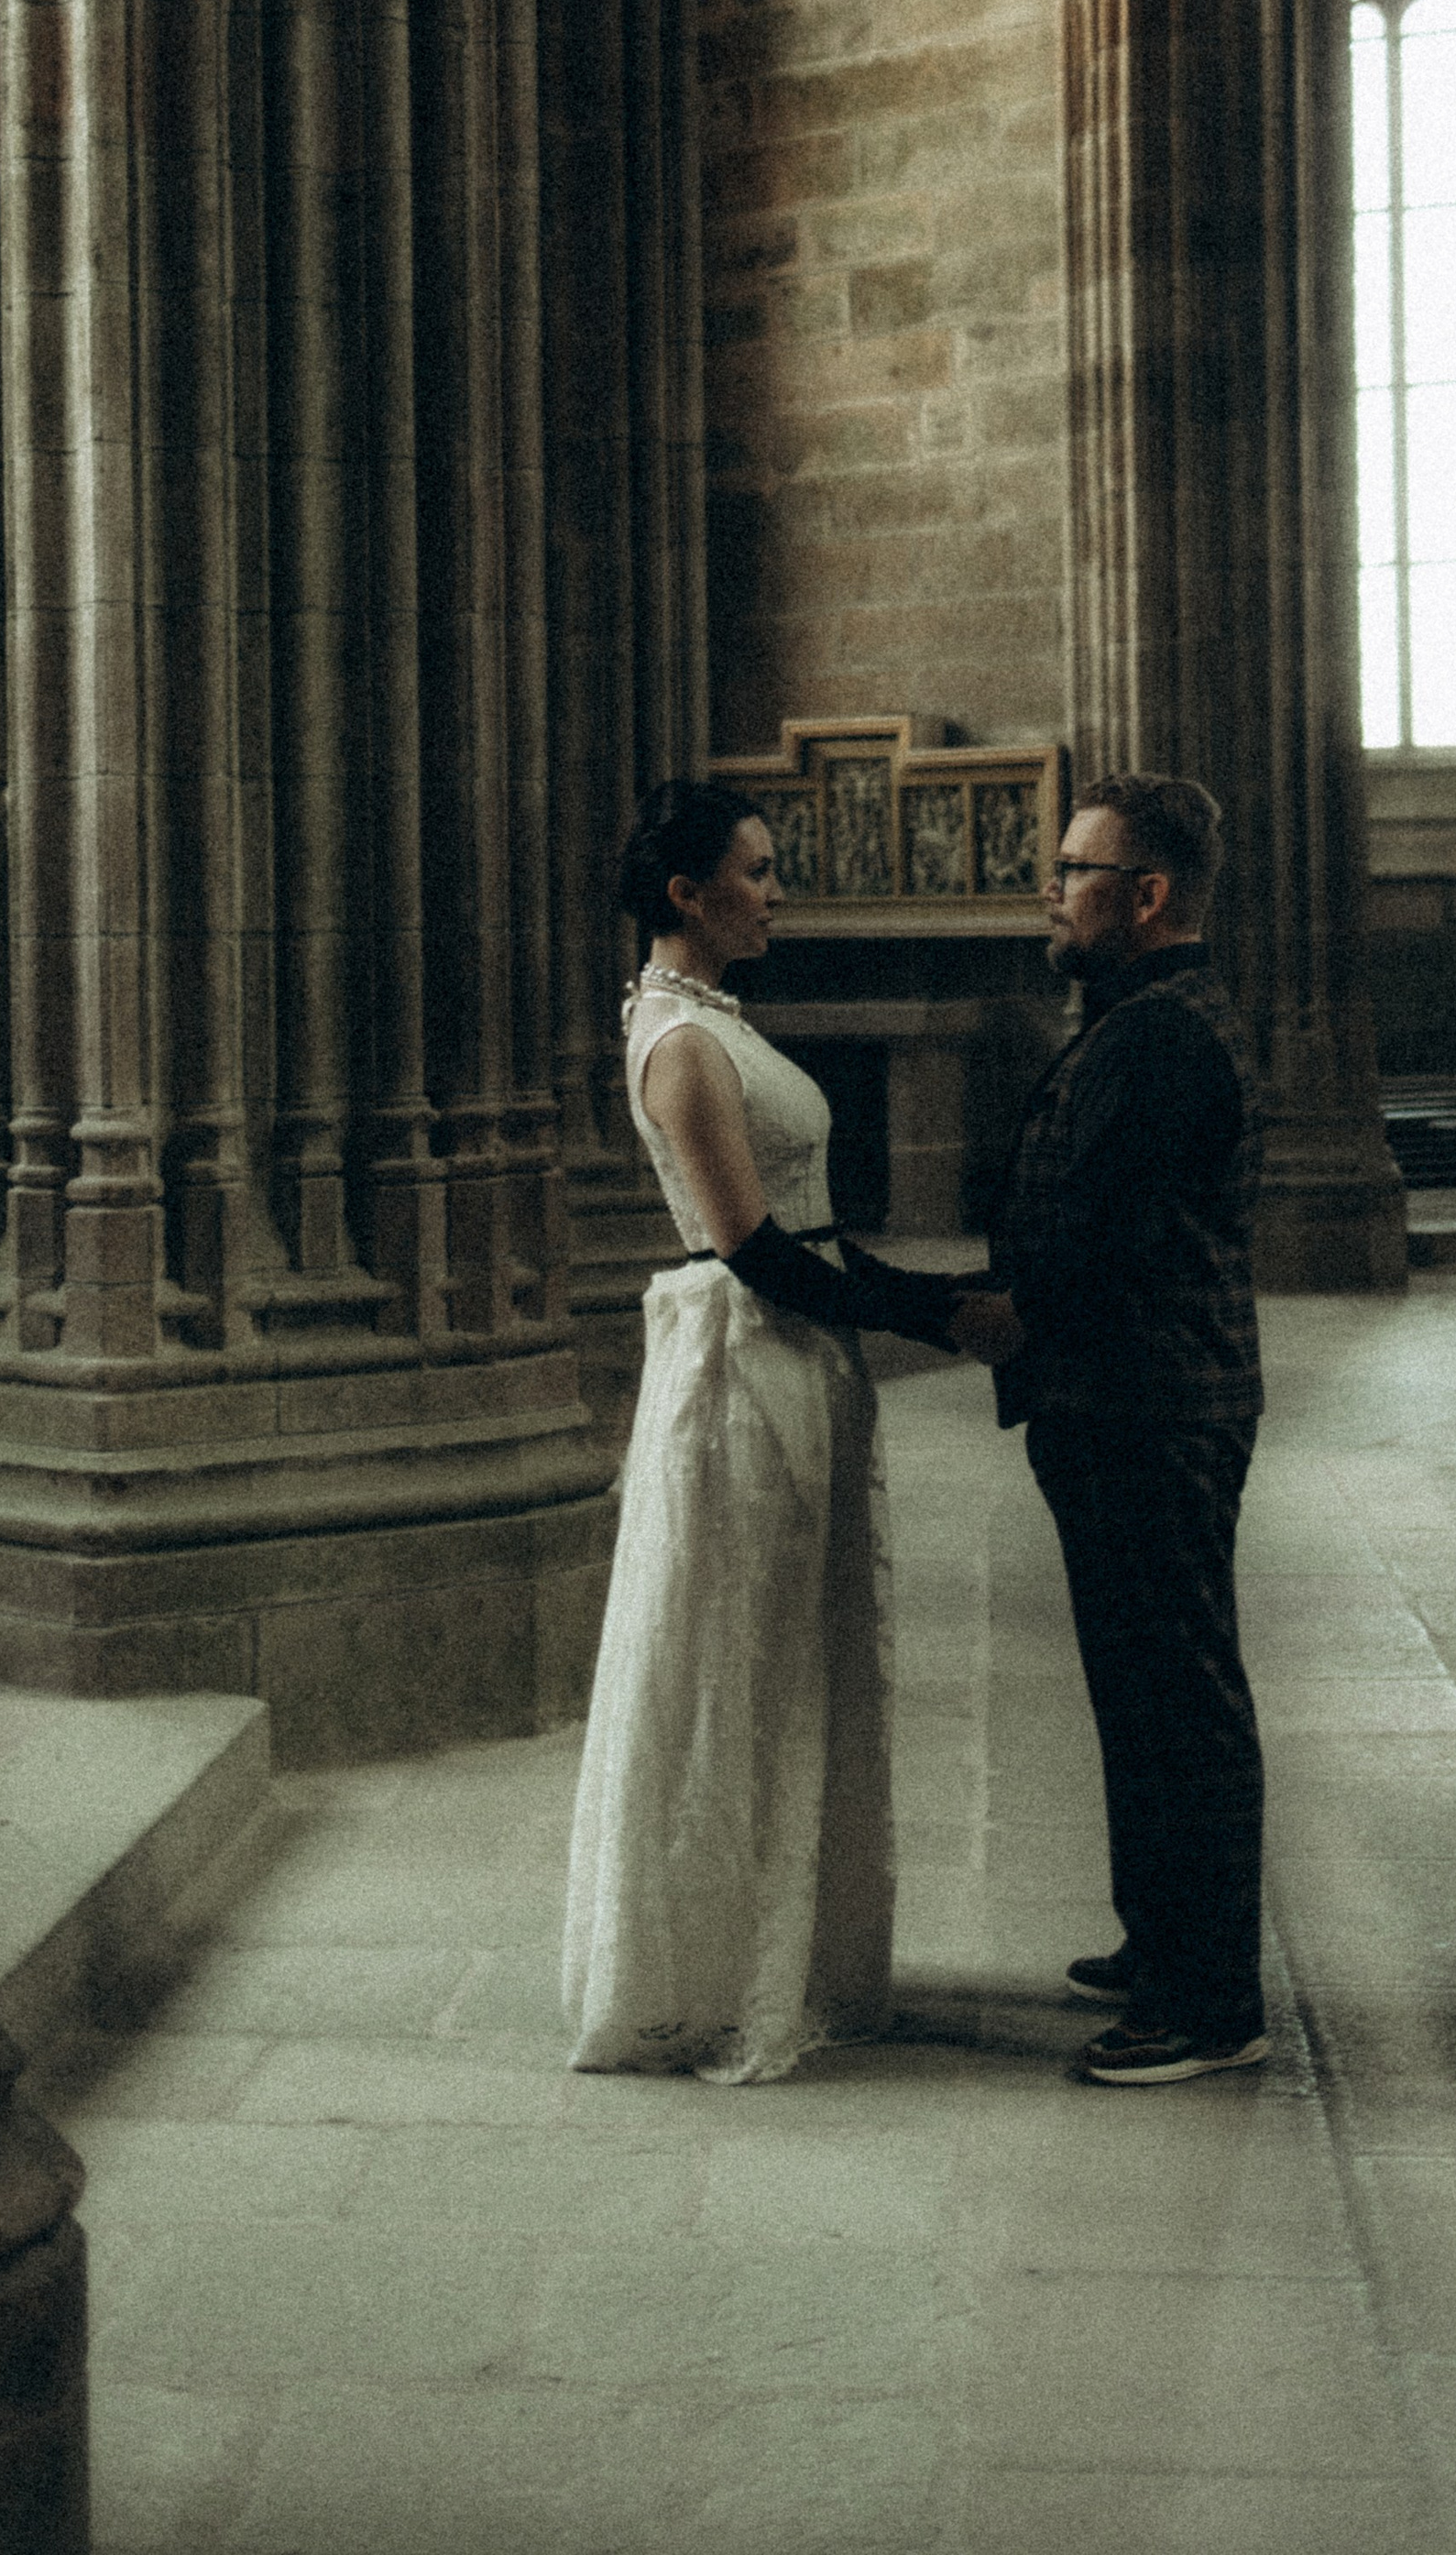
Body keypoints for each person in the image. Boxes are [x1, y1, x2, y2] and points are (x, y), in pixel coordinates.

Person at [563, 780, 981, 2082]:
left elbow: (804, 1237)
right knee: (742, 1660)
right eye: (755, 868)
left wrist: (929, 1307)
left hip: (794, 1360)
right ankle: (716, 1969)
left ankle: (790, 1943)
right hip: (750, 1366)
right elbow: (761, 1257)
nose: (777, 888)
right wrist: (945, 1315)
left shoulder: (709, 1021)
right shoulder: (679, 1043)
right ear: (688, 893)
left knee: (796, 1647)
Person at [954, 772, 1268, 2087]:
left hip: (1151, 1404)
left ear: (1146, 895)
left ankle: (1209, 2004)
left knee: (1177, 1698)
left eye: (1074, 870)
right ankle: (1165, 1940)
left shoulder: (1159, 1034)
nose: (1053, 889)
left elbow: (1097, 1237)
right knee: (1136, 1691)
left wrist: (990, 1312)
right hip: (1126, 1401)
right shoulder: (1140, 1015)